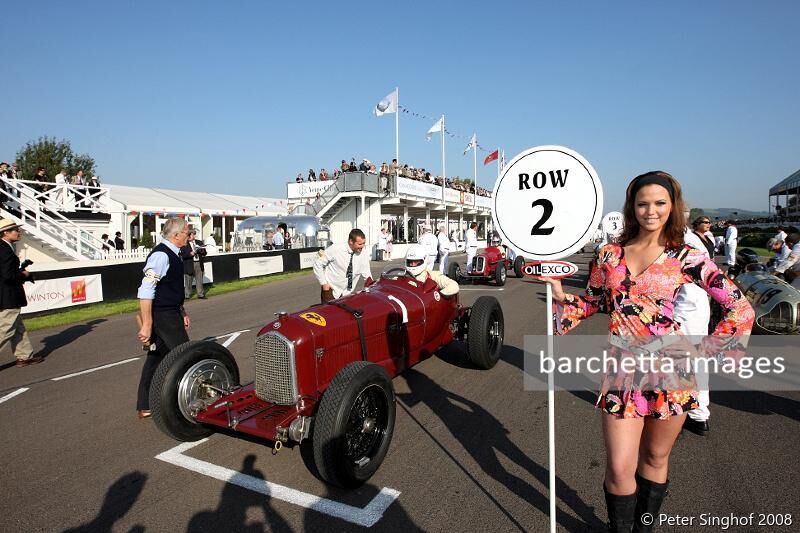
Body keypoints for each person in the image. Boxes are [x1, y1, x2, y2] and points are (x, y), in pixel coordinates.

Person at [543, 171, 754, 532]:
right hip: (623, 367)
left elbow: (741, 309)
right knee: (620, 468)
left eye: (660, 203)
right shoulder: (609, 254)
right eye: (643, 203)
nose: (650, 210)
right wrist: (562, 299)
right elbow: (594, 302)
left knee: (656, 458)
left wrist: (706, 356)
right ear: (631, 207)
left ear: (673, 207)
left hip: (672, 367)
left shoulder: (687, 256)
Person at [136, 217, 192, 419]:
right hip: (163, 315)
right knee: (185, 355)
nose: (189, 236)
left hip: (170, 311)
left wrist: (181, 311)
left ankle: (145, 404)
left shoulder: (175, 254)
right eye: (187, 233)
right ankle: (184, 401)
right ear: (176, 235)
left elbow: (170, 289)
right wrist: (147, 324)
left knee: (156, 358)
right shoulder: (161, 256)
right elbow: (146, 289)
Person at [674, 214, 716, 437]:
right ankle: (699, 416)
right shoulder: (694, 239)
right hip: (696, 309)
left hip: (684, 310)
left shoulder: (683, 242)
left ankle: (677, 417)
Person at [0, 219, 43, 367]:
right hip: (8, 295)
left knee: (18, 327)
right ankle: (24, 356)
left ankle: (24, 356)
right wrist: (23, 275)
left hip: (6, 294)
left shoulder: (6, 247)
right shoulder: (4, 249)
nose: (19, 232)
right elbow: (7, 276)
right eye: (15, 229)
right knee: (5, 329)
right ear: (5, 233)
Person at [313, 228, 372, 303]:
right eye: (360, 244)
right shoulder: (336, 249)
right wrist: (324, 283)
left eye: (364, 243)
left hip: (347, 293)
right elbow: (317, 263)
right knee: (329, 314)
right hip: (330, 291)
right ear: (351, 241)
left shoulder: (363, 253)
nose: (362, 246)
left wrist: (372, 287)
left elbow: (367, 274)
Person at [181, 229, 207, 299]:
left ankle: (200, 294)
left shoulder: (199, 242)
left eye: (193, 234)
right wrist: (190, 254)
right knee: (188, 280)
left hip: (198, 263)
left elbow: (204, 252)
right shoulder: (184, 243)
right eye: (190, 234)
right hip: (189, 263)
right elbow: (182, 255)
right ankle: (187, 295)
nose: (192, 236)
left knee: (199, 280)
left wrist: (200, 250)